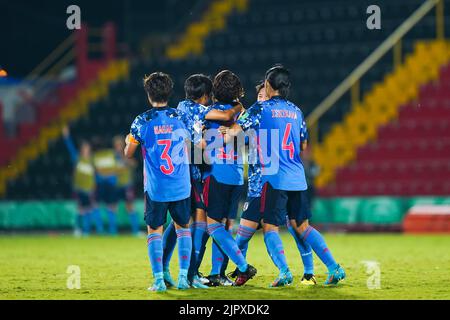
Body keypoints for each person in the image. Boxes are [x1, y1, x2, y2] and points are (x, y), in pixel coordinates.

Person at [224, 65, 346, 286]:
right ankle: (334, 268)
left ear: (269, 86)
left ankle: (284, 273)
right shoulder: (296, 111)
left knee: (270, 226)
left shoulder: (260, 109)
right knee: (303, 226)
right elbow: (303, 143)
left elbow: (234, 132)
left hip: (273, 178)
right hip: (297, 177)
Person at [225, 81, 317, 286]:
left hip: (265, 186)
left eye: (263, 96)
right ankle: (244, 272)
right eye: (258, 97)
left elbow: (233, 137)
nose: (260, 100)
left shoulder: (265, 117)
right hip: (269, 184)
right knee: (289, 228)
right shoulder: (262, 118)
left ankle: (299, 271)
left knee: (267, 232)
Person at [161, 74, 243, 289]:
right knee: (197, 222)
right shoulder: (201, 110)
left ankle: (166, 270)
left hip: (182, 171)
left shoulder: (180, 106)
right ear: (206, 96)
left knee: (179, 222)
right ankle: (191, 273)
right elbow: (226, 116)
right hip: (192, 172)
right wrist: (238, 107)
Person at [124, 72, 197, 292]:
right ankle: (184, 278)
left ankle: (158, 280)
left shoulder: (142, 121)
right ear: (169, 92)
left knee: (154, 231)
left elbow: (129, 153)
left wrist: (127, 143)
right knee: (184, 229)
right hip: (181, 185)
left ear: (149, 94)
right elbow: (195, 144)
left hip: (156, 187)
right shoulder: (181, 117)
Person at [202, 70, 257, 287]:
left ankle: (243, 266)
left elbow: (203, 139)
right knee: (224, 226)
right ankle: (217, 273)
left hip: (217, 173)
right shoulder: (243, 115)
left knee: (212, 225)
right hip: (236, 174)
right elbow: (248, 141)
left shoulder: (209, 112)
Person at [62, 126, 103, 236]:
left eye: (87, 148)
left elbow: (96, 174)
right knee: (81, 209)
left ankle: (97, 230)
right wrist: (66, 137)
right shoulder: (77, 158)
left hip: (90, 189)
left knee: (92, 208)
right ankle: (81, 230)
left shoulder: (92, 160)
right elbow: (70, 148)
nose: (86, 150)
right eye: (84, 148)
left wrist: (95, 183)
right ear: (81, 150)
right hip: (79, 188)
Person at [113, 135, 141, 236]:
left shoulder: (127, 154)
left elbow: (135, 164)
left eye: (120, 145)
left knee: (130, 207)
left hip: (127, 185)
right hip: (116, 185)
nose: (119, 147)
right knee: (113, 207)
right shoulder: (113, 157)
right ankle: (112, 232)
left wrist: (125, 160)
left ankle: (136, 230)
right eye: (117, 145)